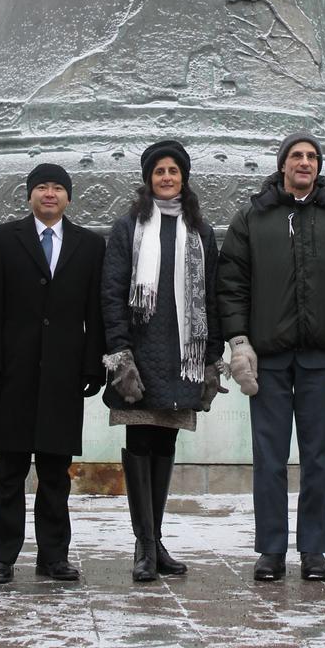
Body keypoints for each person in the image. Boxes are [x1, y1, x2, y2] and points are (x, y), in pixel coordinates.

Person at [218, 132, 325, 582]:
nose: (305, 163)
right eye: (297, 156)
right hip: (270, 358)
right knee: (270, 455)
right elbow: (233, 284)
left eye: (312, 157)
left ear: (319, 167)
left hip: (321, 357)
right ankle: (271, 550)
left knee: (318, 454)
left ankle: (314, 549)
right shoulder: (252, 218)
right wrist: (239, 342)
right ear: (282, 165)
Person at [0, 163, 105, 584]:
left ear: (68, 196)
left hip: (63, 376)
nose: (49, 194)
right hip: (12, 375)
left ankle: (53, 556)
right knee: (8, 470)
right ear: (30, 194)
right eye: (42, 187)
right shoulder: (1, 240)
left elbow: (94, 313)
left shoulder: (88, 245)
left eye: (57, 188)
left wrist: (92, 365)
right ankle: (2, 557)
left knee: (54, 472)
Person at [102, 140, 224, 582]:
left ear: (184, 178)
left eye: (174, 171)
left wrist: (212, 356)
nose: (167, 177)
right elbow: (112, 293)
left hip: (180, 356)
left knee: (166, 443)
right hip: (139, 355)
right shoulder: (128, 227)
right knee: (140, 442)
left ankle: (155, 540)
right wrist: (120, 354)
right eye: (159, 172)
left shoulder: (200, 232)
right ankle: (144, 545)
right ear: (148, 178)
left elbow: (210, 297)